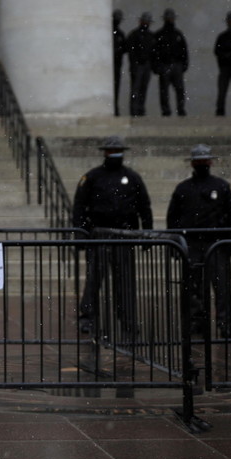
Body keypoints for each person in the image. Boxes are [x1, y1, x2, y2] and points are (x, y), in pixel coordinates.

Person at [72, 135, 153, 336]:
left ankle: (127, 319)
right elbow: (79, 207)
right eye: (111, 151)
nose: (114, 154)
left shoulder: (132, 177)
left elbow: (144, 207)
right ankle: (88, 318)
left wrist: (147, 233)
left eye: (117, 151)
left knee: (125, 282)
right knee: (94, 280)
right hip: (99, 237)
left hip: (124, 237)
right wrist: (80, 235)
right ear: (105, 153)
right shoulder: (92, 177)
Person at [167, 144, 231, 339]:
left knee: (221, 287)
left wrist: (230, 242)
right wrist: (176, 244)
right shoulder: (183, 188)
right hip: (192, 243)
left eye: (204, 160)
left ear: (210, 162)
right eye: (198, 161)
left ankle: (225, 324)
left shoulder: (221, 186)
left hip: (216, 244)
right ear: (192, 164)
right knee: (193, 287)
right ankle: (196, 323)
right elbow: (173, 219)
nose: (202, 164)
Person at [152, 8, 188, 116]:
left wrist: (184, 64)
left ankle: (180, 109)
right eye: (168, 18)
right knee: (164, 90)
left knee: (179, 89)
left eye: (171, 17)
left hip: (176, 64)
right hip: (165, 65)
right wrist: (157, 66)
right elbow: (154, 52)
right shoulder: (159, 34)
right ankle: (166, 111)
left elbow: (184, 50)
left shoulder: (178, 34)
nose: (170, 19)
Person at [126, 12, 155, 116]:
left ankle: (140, 110)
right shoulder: (134, 34)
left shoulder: (150, 36)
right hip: (138, 65)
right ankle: (134, 111)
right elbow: (131, 51)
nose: (146, 23)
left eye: (148, 21)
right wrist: (135, 63)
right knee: (136, 89)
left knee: (143, 88)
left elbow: (153, 52)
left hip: (146, 65)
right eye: (145, 21)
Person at [112, 9, 129, 117]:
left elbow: (125, 48)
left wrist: (118, 50)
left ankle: (115, 108)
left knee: (116, 87)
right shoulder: (113, 33)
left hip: (117, 64)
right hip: (112, 65)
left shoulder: (120, 34)